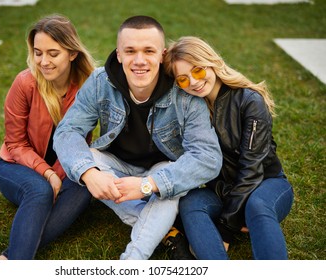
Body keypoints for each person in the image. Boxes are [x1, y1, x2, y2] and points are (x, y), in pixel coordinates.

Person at [53, 15, 222, 260]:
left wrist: (149, 185)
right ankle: (163, 226)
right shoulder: (100, 82)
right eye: (130, 51)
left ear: (162, 55)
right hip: (117, 168)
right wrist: (90, 174)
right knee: (87, 158)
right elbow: (68, 131)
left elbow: (208, 158)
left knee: (172, 181)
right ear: (119, 54)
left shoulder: (184, 92)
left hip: (161, 170)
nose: (139, 60)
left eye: (149, 51)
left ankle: (133, 260)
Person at [164, 36, 294, 259]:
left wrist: (227, 229)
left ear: (211, 62)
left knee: (257, 204)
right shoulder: (190, 108)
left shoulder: (249, 100)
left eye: (197, 70)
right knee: (191, 203)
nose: (194, 82)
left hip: (265, 184)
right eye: (183, 79)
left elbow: (252, 169)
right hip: (221, 191)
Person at [0, 14, 96, 260]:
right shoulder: (25, 82)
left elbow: (81, 142)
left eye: (53, 53)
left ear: (72, 53)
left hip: (63, 168)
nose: (43, 61)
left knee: (85, 188)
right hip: (15, 166)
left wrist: (59, 174)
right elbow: (15, 144)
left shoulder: (87, 88)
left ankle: (9, 257)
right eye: (38, 52)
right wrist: (48, 173)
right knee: (40, 190)